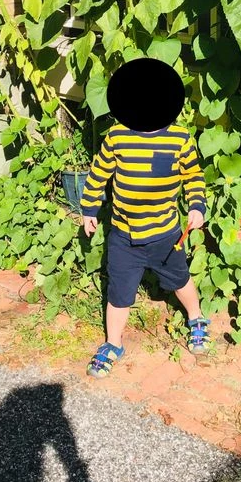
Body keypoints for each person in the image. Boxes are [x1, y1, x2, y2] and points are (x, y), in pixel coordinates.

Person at [80, 57, 211, 378]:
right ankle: (113, 343)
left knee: (180, 280)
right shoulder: (117, 137)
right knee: (119, 293)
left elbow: (193, 177)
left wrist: (197, 207)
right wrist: (89, 207)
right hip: (124, 236)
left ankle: (196, 316)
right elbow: (98, 175)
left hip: (166, 236)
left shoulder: (179, 139)